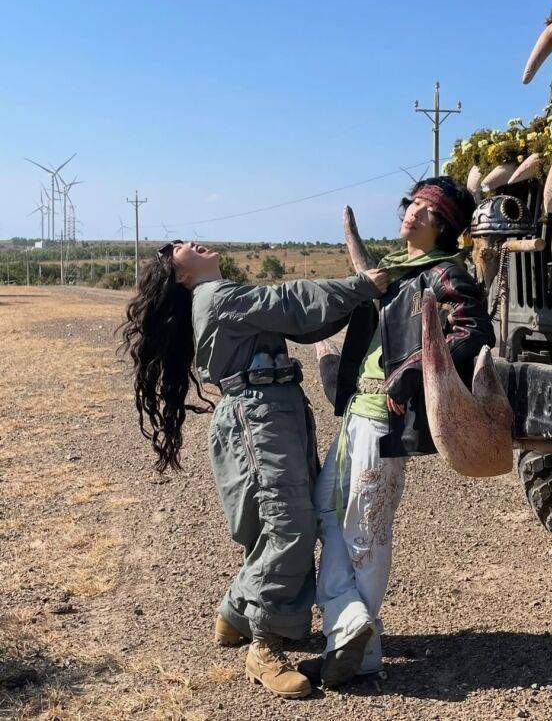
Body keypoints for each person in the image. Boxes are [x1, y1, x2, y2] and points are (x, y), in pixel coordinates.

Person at [120, 240, 388, 700]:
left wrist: (357, 296)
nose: (185, 243)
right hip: (258, 417)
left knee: (284, 520)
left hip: (275, 411)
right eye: (174, 248)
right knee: (288, 526)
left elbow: (300, 323)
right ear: (181, 276)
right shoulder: (218, 298)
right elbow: (288, 303)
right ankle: (264, 645)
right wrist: (359, 285)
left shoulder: (223, 295)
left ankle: (236, 613)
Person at [303, 176, 495, 687]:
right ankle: (349, 627)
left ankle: (357, 651)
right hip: (355, 413)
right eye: (411, 205)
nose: (411, 214)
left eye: (426, 213)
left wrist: (410, 375)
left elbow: (473, 330)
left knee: (365, 525)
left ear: (445, 228)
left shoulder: (444, 273)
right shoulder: (393, 270)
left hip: (384, 418)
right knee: (326, 513)